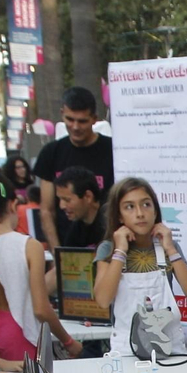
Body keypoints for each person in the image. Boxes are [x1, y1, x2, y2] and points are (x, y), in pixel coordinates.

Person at [0, 175, 81, 362]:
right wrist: (68, 341)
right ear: (13, 204)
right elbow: (41, 309)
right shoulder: (28, 245)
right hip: (20, 332)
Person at [93, 177, 187, 356]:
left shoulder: (169, 246)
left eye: (146, 205)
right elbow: (103, 300)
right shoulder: (108, 249)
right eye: (129, 207)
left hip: (171, 350)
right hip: (127, 351)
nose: (140, 213)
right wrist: (120, 251)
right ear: (119, 215)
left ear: (155, 211)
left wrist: (170, 249)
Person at [34, 86, 114, 252]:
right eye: (70, 119)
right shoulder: (51, 153)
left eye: (82, 121)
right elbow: (47, 210)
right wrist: (58, 254)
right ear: (62, 113)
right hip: (67, 247)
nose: (75, 127)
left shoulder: (112, 150)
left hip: (108, 247)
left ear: (94, 119)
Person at [54, 165, 106, 248]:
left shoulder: (110, 224)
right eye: (59, 199)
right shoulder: (75, 229)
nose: (61, 206)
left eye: (67, 200)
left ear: (88, 196)